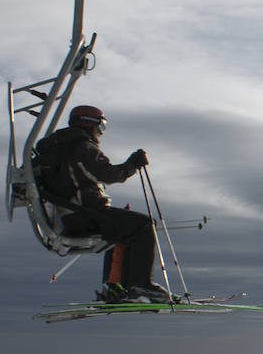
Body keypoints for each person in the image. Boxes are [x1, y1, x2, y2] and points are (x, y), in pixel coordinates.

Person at [32, 105, 169, 304]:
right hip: (86, 215)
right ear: (89, 123)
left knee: (121, 226)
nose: (101, 132)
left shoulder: (52, 150)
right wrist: (132, 165)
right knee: (143, 225)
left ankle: (114, 288)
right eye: (101, 126)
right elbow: (109, 174)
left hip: (70, 217)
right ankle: (140, 286)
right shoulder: (82, 146)